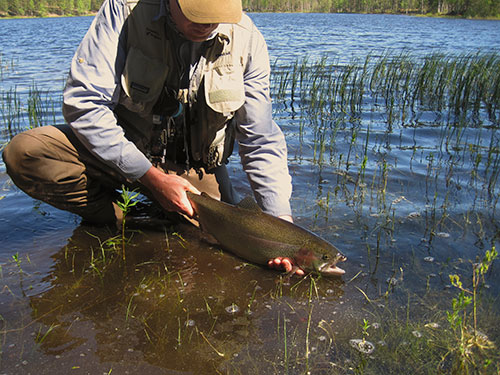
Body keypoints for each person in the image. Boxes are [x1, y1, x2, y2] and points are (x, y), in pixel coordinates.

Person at [2, 0, 304, 276]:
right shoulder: (124, 12)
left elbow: (260, 139)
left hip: (194, 171)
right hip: (122, 155)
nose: (207, 26)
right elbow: (84, 104)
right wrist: (149, 177)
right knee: (26, 153)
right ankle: (122, 215)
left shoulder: (248, 39)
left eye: (216, 17)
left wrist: (282, 227)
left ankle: (149, 220)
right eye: (197, 14)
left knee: (218, 245)